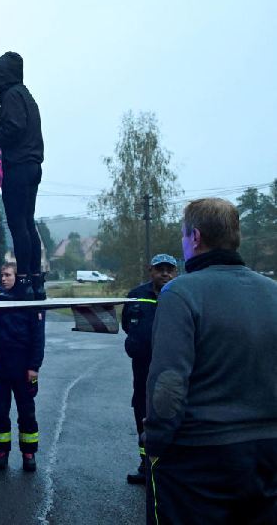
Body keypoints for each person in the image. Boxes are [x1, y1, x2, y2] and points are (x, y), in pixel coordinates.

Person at [144, 198, 277, 524]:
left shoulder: (179, 293)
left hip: (198, 458)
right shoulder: (273, 292)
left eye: (183, 235)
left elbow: (168, 384)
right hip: (267, 455)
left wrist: (156, 443)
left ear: (196, 237)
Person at [0, 52, 44, 300]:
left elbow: (14, 128)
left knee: (18, 224)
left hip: (18, 166)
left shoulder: (11, 96)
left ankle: (23, 283)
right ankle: (35, 281)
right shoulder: (27, 96)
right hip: (32, 164)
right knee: (28, 223)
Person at [0, 262, 45, 471]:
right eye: (2, 275)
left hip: (25, 367)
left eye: (7, 275)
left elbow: (38, 338)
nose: (3, 279)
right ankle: (1, 452)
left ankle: (28, 454)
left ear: (18, 277)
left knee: (27, 413)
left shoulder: (30, 301)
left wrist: (34, 367)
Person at [121, 253, 178, 485]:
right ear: (150, 271)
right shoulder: (136, 296)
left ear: (175, 272)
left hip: (171, 370)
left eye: (169, 269)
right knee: (142, 413)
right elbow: (127, 324)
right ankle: (145, 466)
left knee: (170, 413)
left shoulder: (179, 294)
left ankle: (168, 468)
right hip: (143, 367)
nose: (164, 273)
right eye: (159, 269)